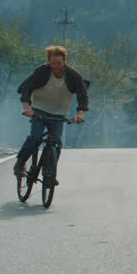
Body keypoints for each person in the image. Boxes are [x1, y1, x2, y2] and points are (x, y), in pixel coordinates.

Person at [13, 46, 89, 185]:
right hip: (39, 109)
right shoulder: (42, 71)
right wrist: (26, 108)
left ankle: (50, 174)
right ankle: (20, 163)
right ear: (49, 62)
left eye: (59, 63)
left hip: (59, 113)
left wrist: (80, 114)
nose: (56, 67)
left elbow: (83, 97)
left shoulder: (74, 76)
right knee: (35, 137)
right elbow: (27, 89)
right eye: (53, 63)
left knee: (57, 143)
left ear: (65, 61)